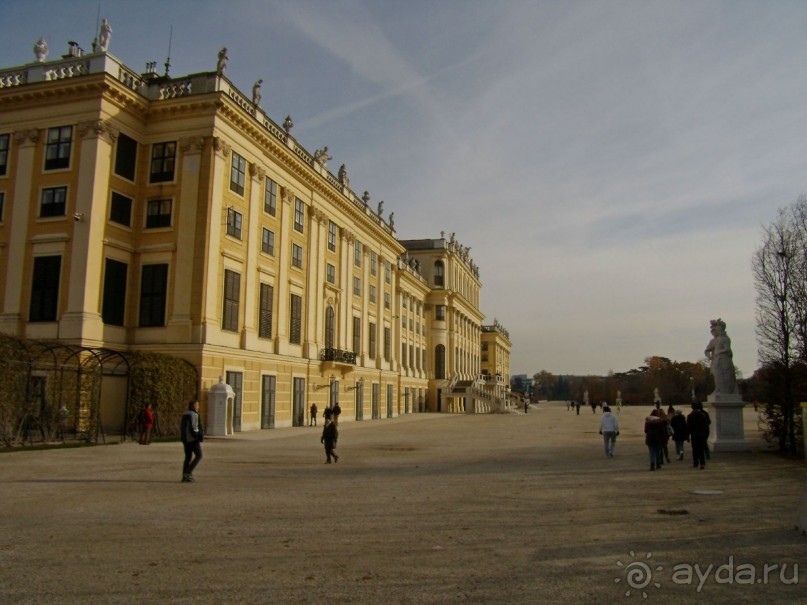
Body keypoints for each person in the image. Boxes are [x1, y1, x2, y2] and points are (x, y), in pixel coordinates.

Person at [704, 318, 738, 397]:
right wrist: (709, 356)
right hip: (717, 360)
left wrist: (718, 352)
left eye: (715, 330)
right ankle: (718, 389)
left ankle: (725, 391)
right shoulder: (714, 341)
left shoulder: (725, 339)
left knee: (725, 375)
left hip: (724, 359)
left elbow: (727, 349)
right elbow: (707, 350)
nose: (714, 333)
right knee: (717, 375)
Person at [180, 400, 204, 482]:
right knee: (199, 455)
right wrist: (199, 436)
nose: (198, 406)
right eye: (197, 405)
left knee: (188, 457)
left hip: (185, 439)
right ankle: (188, 472)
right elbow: (194, 428)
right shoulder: (194, 414)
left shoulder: (185, 414)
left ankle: (184, 476)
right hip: (193, 439)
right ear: (194, 406)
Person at [687, 403, 710, 470]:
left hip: (694, 435)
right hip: (701, 434)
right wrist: (706, 435)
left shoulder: (690, 416)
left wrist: (687, 436)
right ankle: (702, 463)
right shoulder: (703, 415)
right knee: (701, 449)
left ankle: (695, 462)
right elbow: (706, 427)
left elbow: (688, 427)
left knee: (694, 449)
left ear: (692, 407)